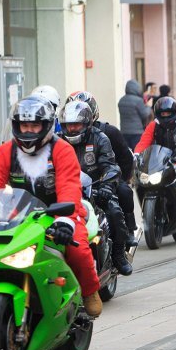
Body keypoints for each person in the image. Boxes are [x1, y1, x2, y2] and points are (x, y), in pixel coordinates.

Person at [0, 97, 102, 316]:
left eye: (34, 125)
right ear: (16, 126)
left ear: (46, 125)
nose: (29, 130)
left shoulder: (62, 150)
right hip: (18, 214)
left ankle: (89, 291)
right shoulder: (5, 152)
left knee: (78, 250)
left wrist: (66, 221)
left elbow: (69, 186)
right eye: (24, 125)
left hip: (60, 211)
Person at [57, 101, 133, 276]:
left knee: (114, 213)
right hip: (66, 191)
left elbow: (111, 166)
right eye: (69, 125)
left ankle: (118, 255)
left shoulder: (100, 138)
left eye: (76, 125)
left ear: (87, 123)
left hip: (96, 188)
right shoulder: (58, 141)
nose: (73, 129)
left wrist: (106, 186)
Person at [66, 90, 139, 247]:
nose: (74, 126)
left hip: (101, 180)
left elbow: (125, 158)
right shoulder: (60, 138)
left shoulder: (106, 133)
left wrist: (117, 180)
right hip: (74, 185)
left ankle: (127, 235)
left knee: (124, 192)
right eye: (71, 122)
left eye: (79, 120)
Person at [134, 97, 176, 220]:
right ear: (158, 114)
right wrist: (137, 154)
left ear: (174, 112)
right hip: (159, 162)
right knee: (140, 181)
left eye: (168, 113)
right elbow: (144, 141)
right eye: (162, 113)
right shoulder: (153, 126)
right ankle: (147, 211)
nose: (165, 116)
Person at [118, 80, 152, 149]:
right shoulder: (138, 101)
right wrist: (148, 106)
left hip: (124, 131)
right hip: (137, 132)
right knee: (137, 153)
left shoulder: (121, 100)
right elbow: (145, 114)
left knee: (128, 154)